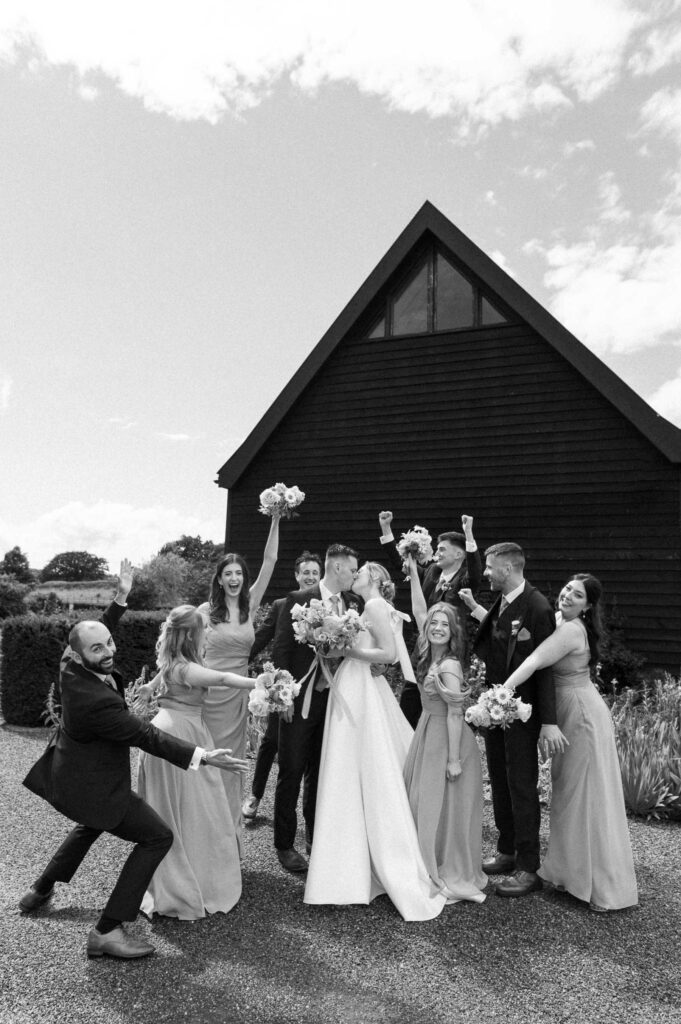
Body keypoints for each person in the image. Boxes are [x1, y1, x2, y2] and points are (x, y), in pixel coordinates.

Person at [21, 568, 246, 960]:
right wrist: (202, 755)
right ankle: (107, 930)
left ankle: (42, 887)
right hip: (95, 782)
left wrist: (120, 600)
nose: (108, 651)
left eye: (109, 643)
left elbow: (96, 631)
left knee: (90, 823)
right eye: (99, 649)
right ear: (80, 654)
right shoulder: (96, 701)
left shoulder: (71, 661)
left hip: (75, 774)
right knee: (157, 837)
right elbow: (147, 736)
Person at [304, 562, 446, 920]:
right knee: (350, 768)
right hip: (354, 685)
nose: (357, 573)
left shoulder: (374, 607)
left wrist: (344, 651)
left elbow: (389, 655)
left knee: (360, 767)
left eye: (363, 570)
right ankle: (351, 861)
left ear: (378, 580)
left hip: (361, 688)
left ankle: (356, 865)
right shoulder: (363, 608)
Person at [503, 574, 638, 912]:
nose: (567, 596)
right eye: (566, 590)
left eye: (577, 595)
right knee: (566, 794)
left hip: (581, 716)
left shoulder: (571, 630)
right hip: (568, 712)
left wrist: (501, 692)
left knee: (586, 796)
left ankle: (601, 886)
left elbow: (534, 661)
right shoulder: (561, 620)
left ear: (588, 605)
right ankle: (571, 875)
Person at [459, 542, 566, 898]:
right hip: (495, 709)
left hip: (524, 713)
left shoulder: (537, 607)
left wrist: (548, 721)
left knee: (521, 785)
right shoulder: (502, 602)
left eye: (489, 567)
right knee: (501, 782)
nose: (485, 573)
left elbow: (545, 667)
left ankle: (528, 866)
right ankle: (507, 851)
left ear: (508, 567)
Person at [137, 605, 255, 920]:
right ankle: (187, 882)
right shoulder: (187, 669)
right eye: (204, 629)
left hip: (171, 729)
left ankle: (180, 874)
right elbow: (223, 677)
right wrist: (261, 684)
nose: (208, 633)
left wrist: (150, 686)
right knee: (194, 808)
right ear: (191, 634)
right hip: (180, 733)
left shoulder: (175, 661)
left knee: (181, 806)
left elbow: (167, 672)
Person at [271, 544, 361, 872]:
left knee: (321, 772)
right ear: (336, 568)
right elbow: (281, 649)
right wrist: (283, 697)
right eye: (352, 568)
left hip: (335, 701)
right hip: (300, 698)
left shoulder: (353, 604)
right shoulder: (297, 601)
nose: (355, 573)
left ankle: (315, 837)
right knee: (292, 771)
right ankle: (284, 844)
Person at [402, 554, 487, 904]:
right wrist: (411, 575)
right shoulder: (430, 655)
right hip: (428, 731)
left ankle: (443, 865)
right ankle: (423, 857)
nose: (437, 627)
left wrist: (454, 760)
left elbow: (456, 713)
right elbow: (420, 610)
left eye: (444, 624)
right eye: (434, 623)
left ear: (453, 632)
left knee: (440, 803)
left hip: (447, 739)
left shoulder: (449, 664)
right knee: (425, 800)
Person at [198, 513, 281, 855]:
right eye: (227, 574)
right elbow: (184, 652)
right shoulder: (205, 611)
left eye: (238, 574)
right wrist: (157, 680)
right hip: (207, 694)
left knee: (232, 761)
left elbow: (271, 560)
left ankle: (226, 833)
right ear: (219, 579)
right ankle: (200, 826)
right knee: (207, 758)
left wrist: (276, 517)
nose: (234, 578)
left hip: (236, 698)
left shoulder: (250, 605)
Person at [378, 511, 482, 728]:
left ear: (459, 555)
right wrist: (386, 530)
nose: (438, 553)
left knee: (441, 703)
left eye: (443, 549)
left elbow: (475, 570)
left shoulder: (465, 579)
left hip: (450, 651)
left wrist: (468, 534)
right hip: (423, 647)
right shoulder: (433, 572)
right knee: (410, 697)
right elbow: (403, 566)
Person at [242, 551, 322, 822]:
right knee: (272, 741)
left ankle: (308, 811)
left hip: (317, 688)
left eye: (315, 572)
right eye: (306, 572)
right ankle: (255, 796)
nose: (311, 576)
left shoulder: (328, 606)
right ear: (297, 575)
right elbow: (263, 638)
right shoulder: (281, 604)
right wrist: (237, 663)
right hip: (285, 687)